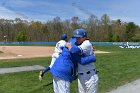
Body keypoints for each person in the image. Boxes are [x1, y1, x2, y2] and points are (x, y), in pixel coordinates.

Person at [67, 28, 99, 93]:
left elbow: (74, 51)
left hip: (90, 76)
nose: (77, 39)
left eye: (79, 37)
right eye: (76, 37)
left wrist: (69, 47)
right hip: (80, 76)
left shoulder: (86, 43)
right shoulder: (79, 43)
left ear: (84, 37)